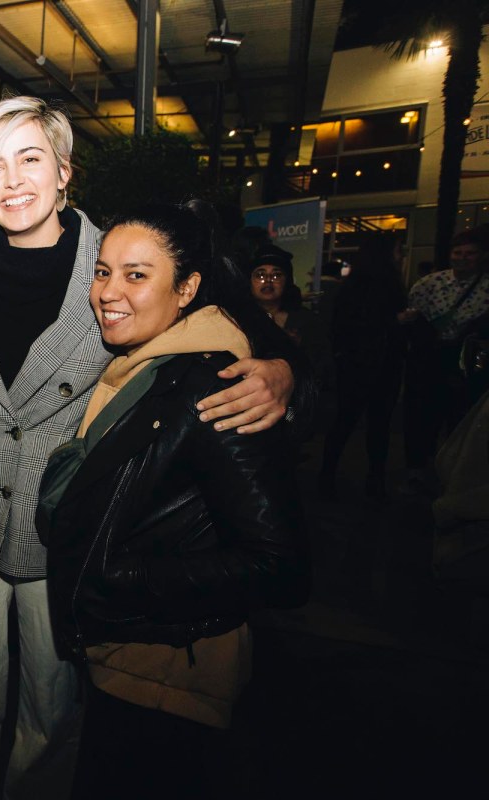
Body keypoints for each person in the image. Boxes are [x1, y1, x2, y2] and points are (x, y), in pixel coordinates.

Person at [0, 96, 297, 800]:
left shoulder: (121, 261)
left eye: (30, 159)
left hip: (67, 536)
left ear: (64, 171)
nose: (12, 180)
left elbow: (241, 332)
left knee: (53, 715)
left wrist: (285, 372)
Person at [37, 201, 309, 796]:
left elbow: (280, 565)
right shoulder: (143, 367)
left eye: (138, 274)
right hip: (128, 661)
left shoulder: (217, 386)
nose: (110, 290)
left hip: (168, 676)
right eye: (104, 271)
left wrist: (120, 576)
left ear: (187, 288)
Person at [319, 236, 409, 498]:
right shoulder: (385, 287)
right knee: (376, 425)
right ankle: (374, 481)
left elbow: (341, 328)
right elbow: (363, 326)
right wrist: (396, 321)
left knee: (346, 422)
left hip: (356, 365)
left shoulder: (352, 287)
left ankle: (328, 476)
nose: (400, 255)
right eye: (397, 249)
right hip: (378, 366)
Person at [401, 229, 489, 491]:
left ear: (482, 256)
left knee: (460, 419)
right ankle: (417, 469)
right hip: (428, 362)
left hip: (468, 365)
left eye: (470, 253)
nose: (463, 258)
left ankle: (454, 473)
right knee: (421, 417)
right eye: (458, 253)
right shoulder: (429, 284)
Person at [248, 243, 334, 433]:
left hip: (292, 412)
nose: (268, 281)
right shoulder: (238, 320)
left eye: (276, 275)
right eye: (260, 274)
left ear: (287, 281)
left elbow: (322, 366)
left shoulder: (306, 321)